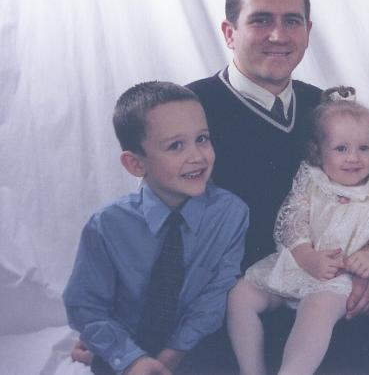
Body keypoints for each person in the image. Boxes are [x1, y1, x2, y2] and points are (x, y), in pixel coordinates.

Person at [186, 0, 369, 369]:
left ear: (307, 31)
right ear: (229, 32)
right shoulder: (189, 109)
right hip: (222, 309)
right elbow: (152, 224)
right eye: (260, 20)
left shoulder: (327, 110)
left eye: (292, 21)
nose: (278, 35)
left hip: (323, 299)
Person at [227, 86, 369, 375]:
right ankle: (251, 369)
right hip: (301, 264)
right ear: (318, 151)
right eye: (341, 149)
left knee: (317, 309)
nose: (353, 158)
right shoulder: (312, 180)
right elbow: (292, 218)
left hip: (340, 279)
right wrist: (307, 256)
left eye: (363, 148)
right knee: (240, 295)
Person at [63, 81, 248, 374]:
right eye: (176, 146)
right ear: (135, 164)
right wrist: (130, 359)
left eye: (202, 139)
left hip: (192, 346)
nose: (197, 156)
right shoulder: (107, 225)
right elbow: (86, 306)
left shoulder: (230, 214)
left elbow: (214, 296)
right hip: (126, 348)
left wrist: (168, 359)